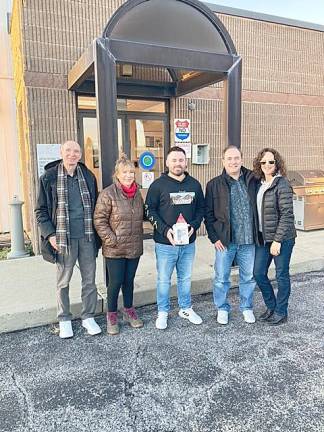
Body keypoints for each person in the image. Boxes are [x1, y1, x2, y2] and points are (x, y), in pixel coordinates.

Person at [35, 140, 102, 339]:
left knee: (89, 280)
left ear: (80, 154)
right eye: (68, 151)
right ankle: (64, 318)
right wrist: (50, 234)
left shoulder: (88, 176)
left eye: (76, 151)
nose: (72, 154)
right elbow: (41, 211)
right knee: (63, 282)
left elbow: (96, 205)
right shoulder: (49, 177)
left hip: (87, 237)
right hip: (63, 239)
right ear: (61, 152)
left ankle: (88, 316)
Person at [145, 146, 205, 330]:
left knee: (185, 278)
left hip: (188, 243)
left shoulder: (194, 184)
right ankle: (162, 311)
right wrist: (165, 230)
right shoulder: (157, 185)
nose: (178, 163)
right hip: (165, 244)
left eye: (181, 160)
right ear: (167, 163)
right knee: (164, 279)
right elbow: (149, 210)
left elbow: (201, 209)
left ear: (185, 162)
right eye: (174, 160)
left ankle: (185, 308)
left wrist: (193, 227)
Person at [205, 145, 259, 325]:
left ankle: (247, 307)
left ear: (241, 159)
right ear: (223, 161)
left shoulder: (253, 179)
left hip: (249, 240)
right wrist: (214, 238)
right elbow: (209, 214)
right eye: (229, 158)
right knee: (221, 278)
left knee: (248, 277)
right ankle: (222, 308)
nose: (233, 162)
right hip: (225, 241)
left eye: (236, 158)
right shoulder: (214, 184)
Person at [94, 154, 144, 336]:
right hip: (114, 248)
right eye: (125, 172)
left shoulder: (137, 194)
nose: (129, 175)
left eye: (132, 171)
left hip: (134, 247)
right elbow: (99, 220)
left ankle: (129, 310)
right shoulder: (108, 194)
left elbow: (143, 215)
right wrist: (111, 240)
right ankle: (112, 315)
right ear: (117, 174)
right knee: (114, 283)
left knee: (128, 281)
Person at [253, 148, 296, 325]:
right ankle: (272, 306)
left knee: (281, 275)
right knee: (258, 273)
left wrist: (277, 240)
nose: (267, 165)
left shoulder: (282, 184)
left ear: (277, 164)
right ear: (259, 164)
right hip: (264, 238)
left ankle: (281, 311)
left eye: (271, 162)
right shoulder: (259, 183)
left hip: (282, 239)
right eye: (264, 162)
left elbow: (287, 214)